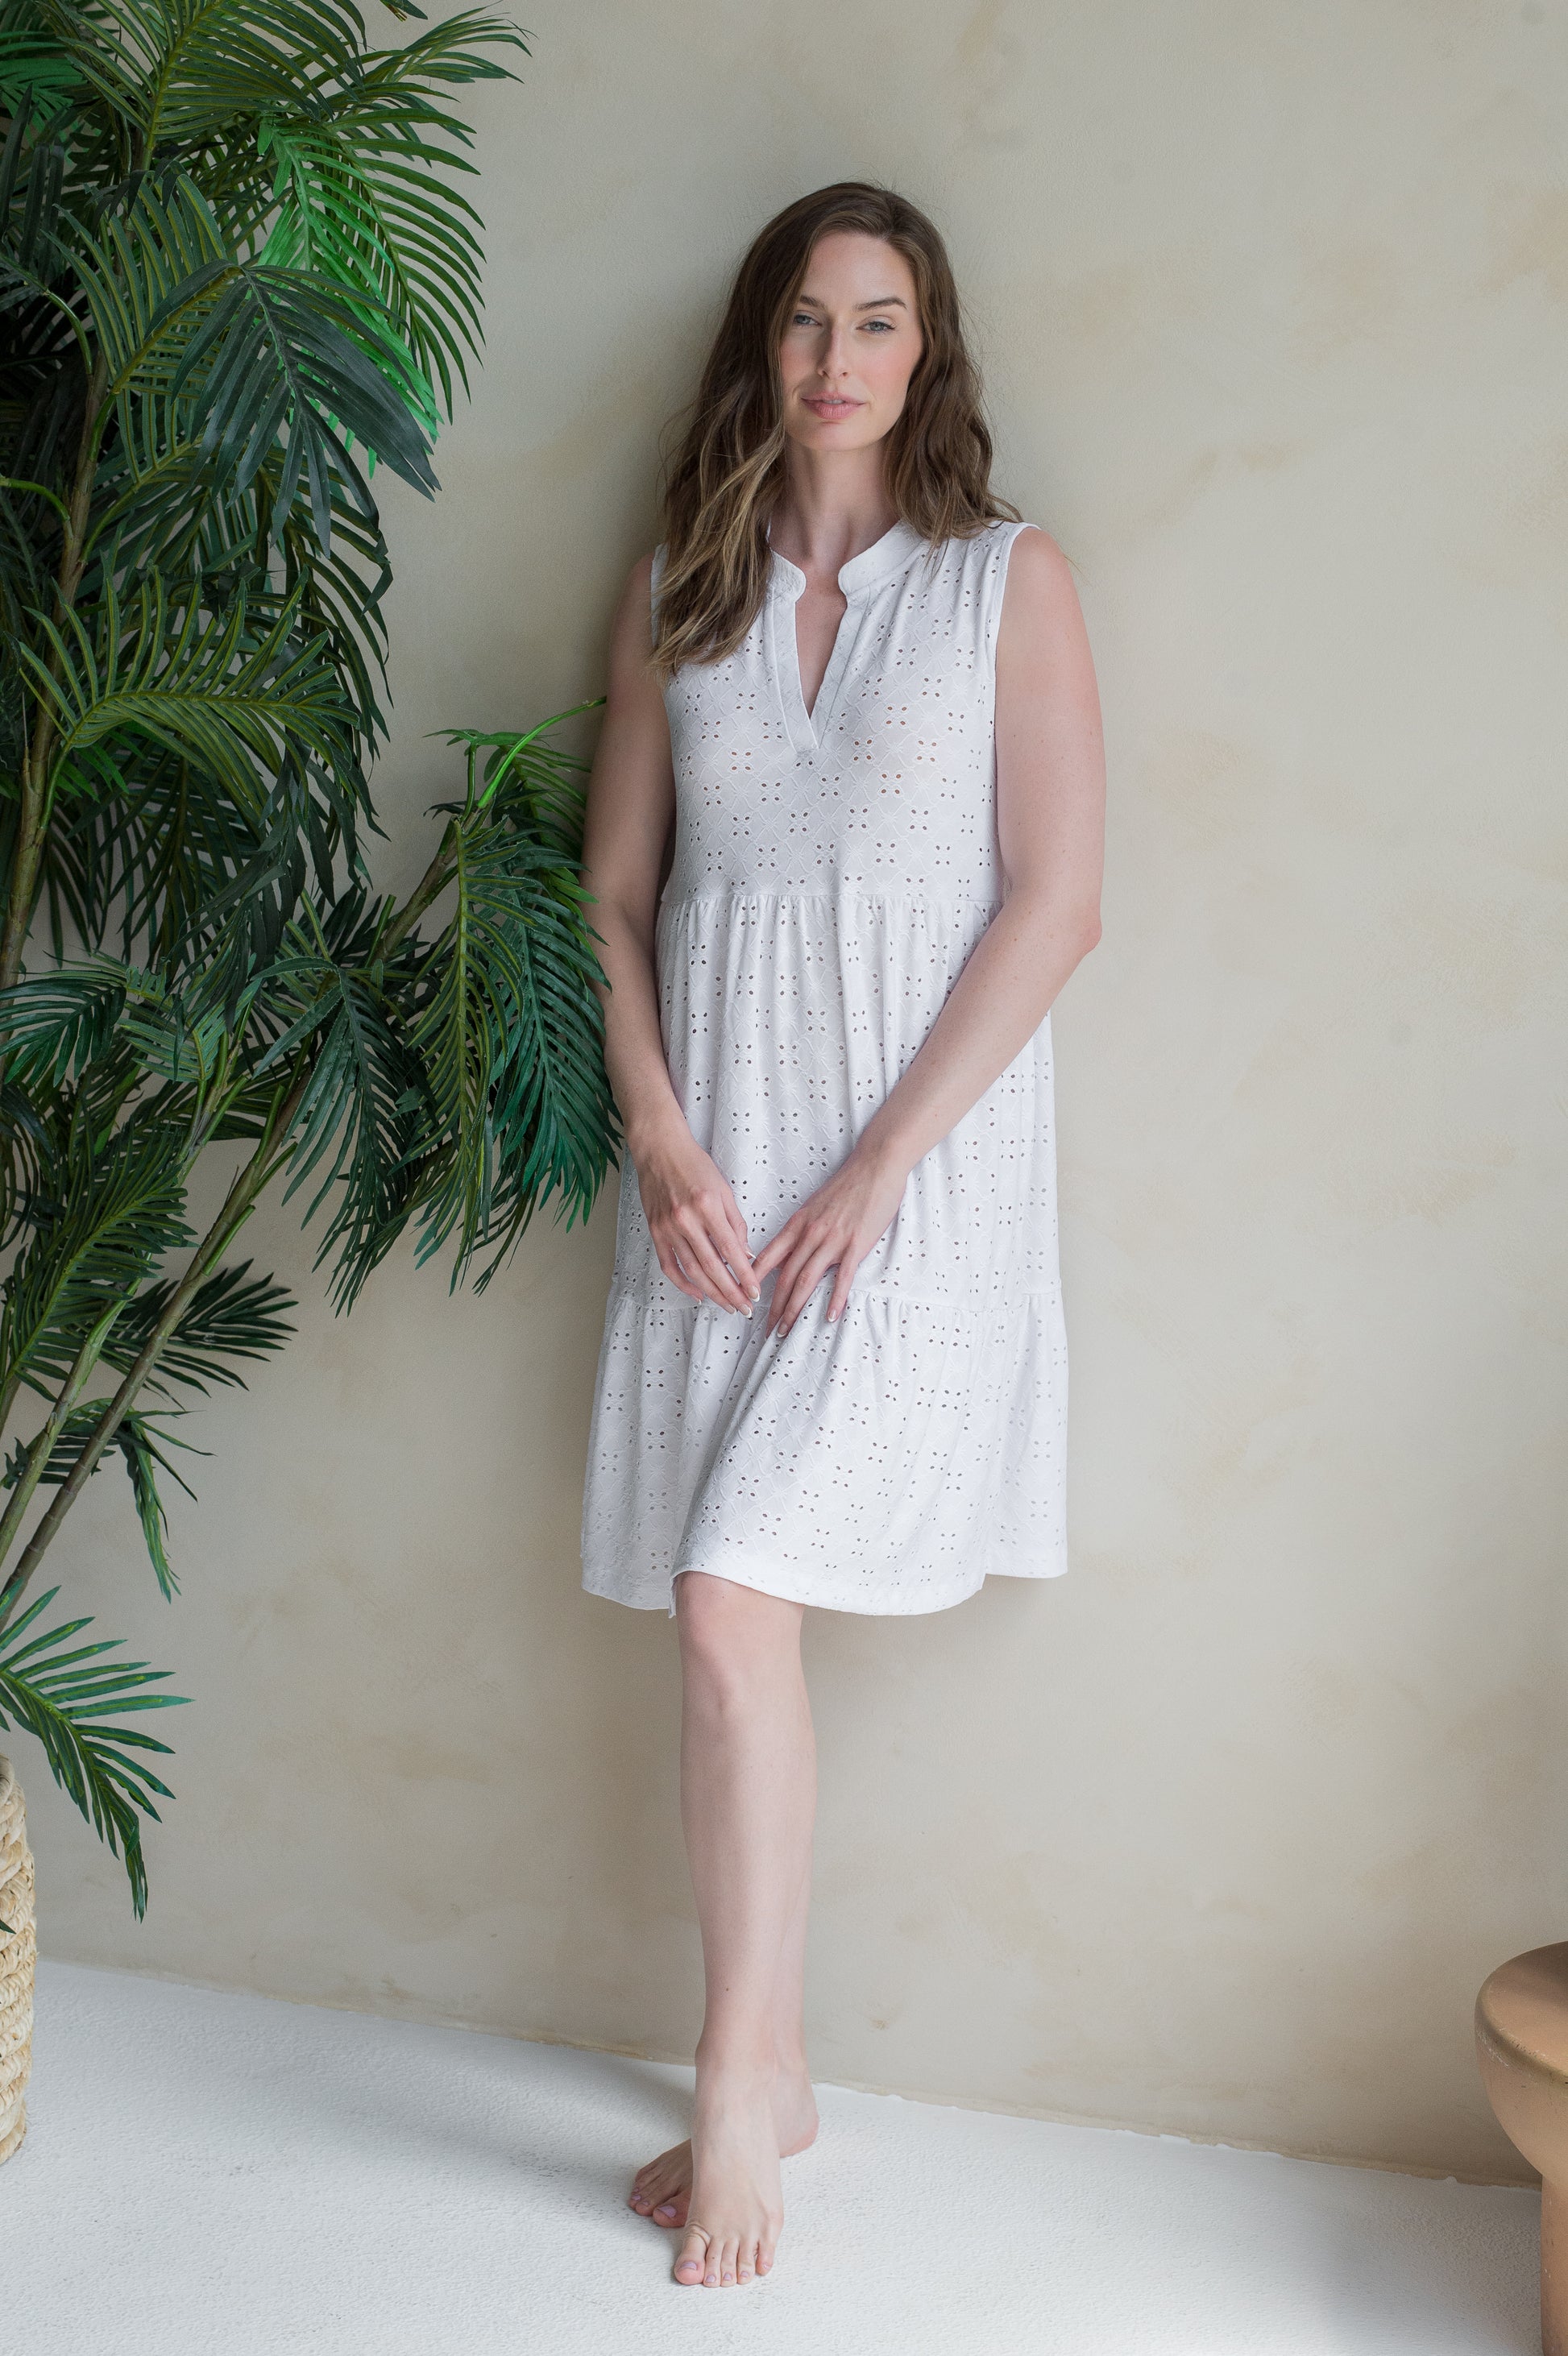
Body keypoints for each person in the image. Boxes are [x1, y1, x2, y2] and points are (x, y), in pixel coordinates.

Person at [577, 180, 1105, 2290]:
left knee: (725, 1600)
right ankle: (769, 2065)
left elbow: (1055, 900)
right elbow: (610, 899)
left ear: (928, 346)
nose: (837, 358)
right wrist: (654, 1131)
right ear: (759, 345)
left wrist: (879, 1169)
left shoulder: (1004, 581)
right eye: (803, 318)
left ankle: (732, 2078)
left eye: (878, 319)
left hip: (904, 1199)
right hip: (713, 1185)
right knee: (731, 1624)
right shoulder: (673, 592)